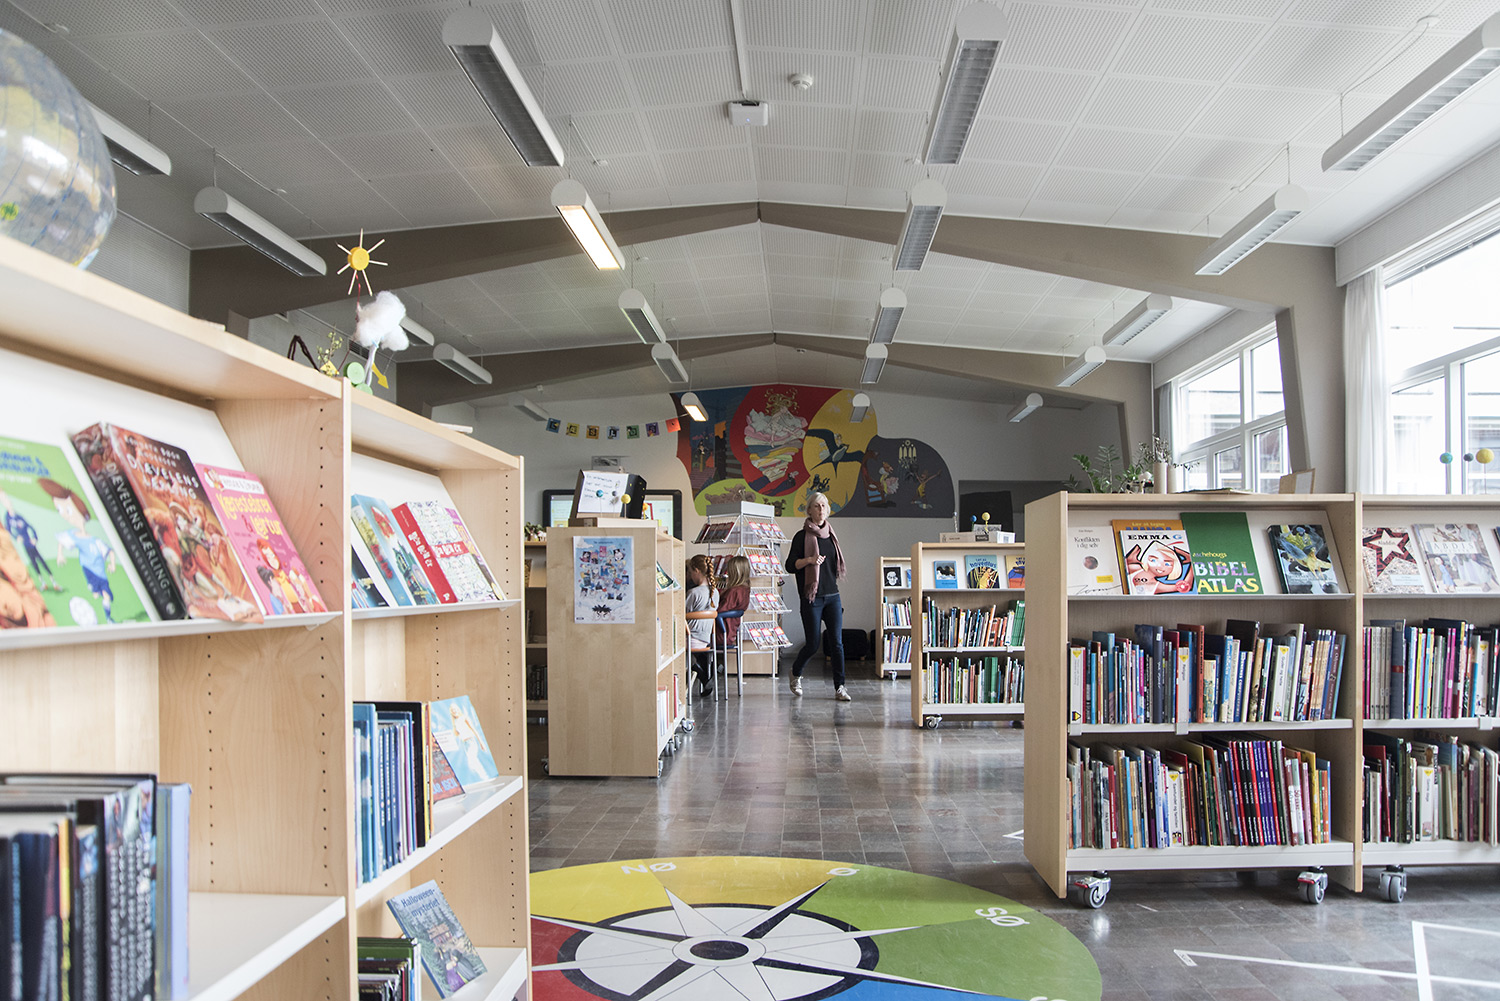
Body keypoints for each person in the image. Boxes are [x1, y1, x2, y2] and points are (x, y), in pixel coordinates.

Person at [785, 491, 850, 701]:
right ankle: (795, 673)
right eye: (816, 506)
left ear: (827, 510)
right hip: (811, 598)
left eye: (824, 505)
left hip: (832, 596)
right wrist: (809, 560)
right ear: (809, 510)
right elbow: (789, 566)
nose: (821, 509)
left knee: (837, 644)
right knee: (813, 644)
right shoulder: (801, 537)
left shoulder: (831, 535)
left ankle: (840, 687)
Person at [684, 554, 719, 697]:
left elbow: (682, 613)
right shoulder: (715, 593)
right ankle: (711, 670)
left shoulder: (693, 593)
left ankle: (702, 674)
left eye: (690, 572)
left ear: (697, 571)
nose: (690, 575)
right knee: (692, 652)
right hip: (706, 639)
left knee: (674, 648)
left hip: (690, 638)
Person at [714, 555, 752, 680]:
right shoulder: (745, 590)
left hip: (721, 632)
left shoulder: (733, 592)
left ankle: (706, 669)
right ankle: (713, 667)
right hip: (730, 632)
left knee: (694, 640)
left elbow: (719, 611)